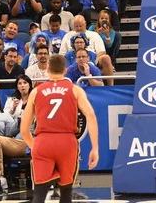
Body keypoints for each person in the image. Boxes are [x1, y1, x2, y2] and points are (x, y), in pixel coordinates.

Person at [20, 54, 99, 203]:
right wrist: (94, 148)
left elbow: (24, 129)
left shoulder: (36, 91)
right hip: (67, 142)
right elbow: (91, 116)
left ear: (48, 69)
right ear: (65, 70)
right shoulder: (75, 90)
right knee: (66, 193)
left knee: (39, 194)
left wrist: (34, 146)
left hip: (43, 142)